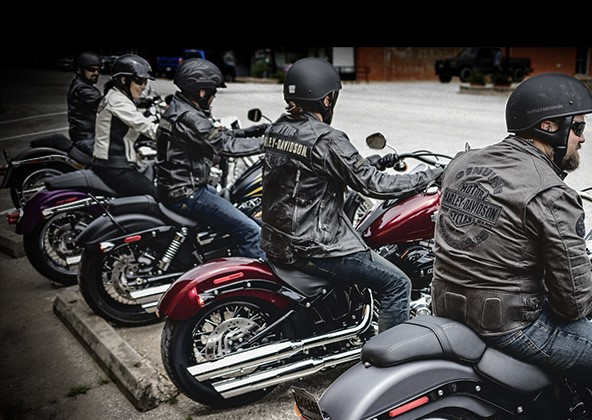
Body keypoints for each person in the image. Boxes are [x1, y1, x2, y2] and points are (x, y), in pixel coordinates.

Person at [430, 73, 592, 419]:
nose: (583, 138)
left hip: (446, 306)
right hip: (511, 326)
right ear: (549, 126)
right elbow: (572, 304)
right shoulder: (551, 192)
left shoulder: (462, 163)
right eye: (577, 127)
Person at [259, 57, 443, 333]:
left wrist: (367, 161)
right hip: (315, 245)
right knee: (397, 283)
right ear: (327, 100)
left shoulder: (278, 128)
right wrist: (431, 174)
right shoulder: (326, 139)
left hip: (278, 239)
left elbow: (313, 171)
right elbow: (375, 186)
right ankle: (391, 358)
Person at [155, 58, 267, 260]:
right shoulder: (189, 117)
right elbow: (226, 146)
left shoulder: (180, 109)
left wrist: (253, 131)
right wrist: (270, 143)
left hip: (182, 187)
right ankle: (256, 286)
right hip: (187, 193)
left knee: (238, 208)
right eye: (213, 90)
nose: (214, 96)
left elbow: (214, 137)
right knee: (251, 232)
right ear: (201, 91)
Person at [92, 54, 158, 199]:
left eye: (145, 82)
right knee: (155, 197)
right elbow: (145, 126)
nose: (143, 86)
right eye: (139, 81)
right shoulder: (118, 101)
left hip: (115, 163)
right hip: (114, 167)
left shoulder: (118, 96)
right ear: (123, 80)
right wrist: (177, 134)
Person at [67, 51, 103, 156]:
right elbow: (105, 102)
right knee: (115, 156)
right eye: (91, 70)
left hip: (88, 136)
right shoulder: (82, 89)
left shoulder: (83, 85)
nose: (96, 73)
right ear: (79, 70)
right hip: (86, 139)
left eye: (98, 70)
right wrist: (141, 101)